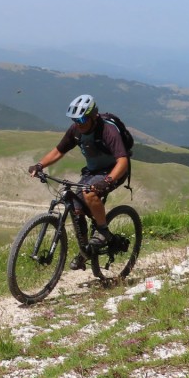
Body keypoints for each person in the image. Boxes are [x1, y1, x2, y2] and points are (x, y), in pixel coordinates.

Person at [28, 94, 130, 270]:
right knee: (75, 206)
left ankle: (103, 231)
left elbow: (123, 161)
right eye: (74, 119)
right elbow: (59, 151)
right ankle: (86, 251)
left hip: (114, 171)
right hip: (93, 171)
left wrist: (107, 181)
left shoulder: (108, 131)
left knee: (89, 194)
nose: (78, 123)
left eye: (82, 118)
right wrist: (40, 165)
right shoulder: (76, 130)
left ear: (93, 116)